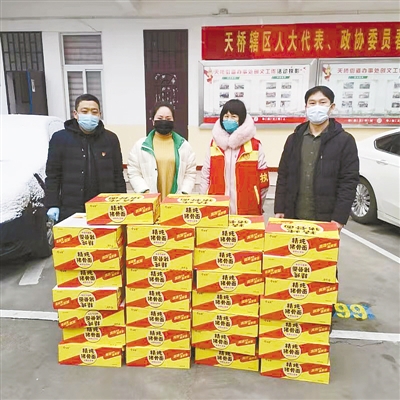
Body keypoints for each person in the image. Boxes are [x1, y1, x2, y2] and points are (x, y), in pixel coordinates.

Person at [274, 85, 359, 230]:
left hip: (326, 220)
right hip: (293, 216)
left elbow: (349, 181)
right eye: (312, 103)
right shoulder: (294, 139)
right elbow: (283, 175)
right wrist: (280, 208)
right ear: (306, 107)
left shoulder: (345, 141)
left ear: (331, 107)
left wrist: (339, 218)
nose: (317, 107)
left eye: (322, 102)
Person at [45, 94, 126, 222]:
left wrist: (122, 202)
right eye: (84, 111)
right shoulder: (60, 139)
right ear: (75, 114)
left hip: (104, 207)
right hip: (71, 209)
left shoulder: (110, 139)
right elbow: (53, 175)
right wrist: (52, 204)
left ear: (100, 114)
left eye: (94, 112)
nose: (90, 115)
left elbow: (118, 175)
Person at [199, 99, 269, 215]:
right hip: (217, 210)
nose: (229, 120)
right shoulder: (214, 145)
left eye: (234, 116)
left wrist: (257, 202)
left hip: (247, 210)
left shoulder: (255, 146)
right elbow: (205, 175)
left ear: (242, 119)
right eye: (226, 116)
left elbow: (263, 183)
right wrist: (204, 200)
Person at [127, 101, 196, 199]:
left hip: (176, 201)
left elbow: (190, 173)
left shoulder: (184, 146)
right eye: (160, 118)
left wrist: (184, 193)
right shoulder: (140, 146)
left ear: (173, 121)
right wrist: (145, 191)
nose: (164, 121)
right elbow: (133, 171)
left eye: (168, 119)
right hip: (150, 200)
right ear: (153, 121)